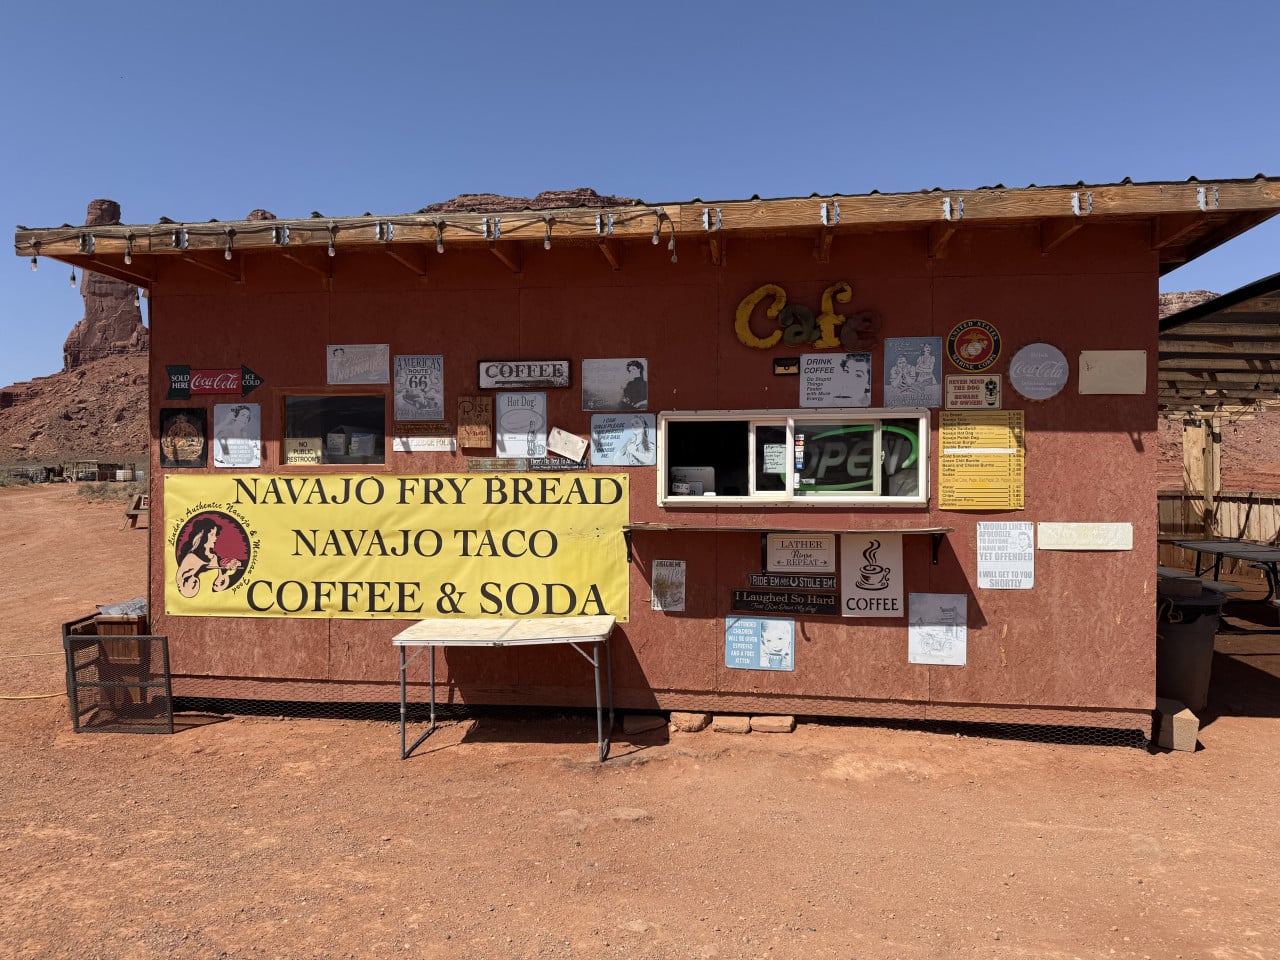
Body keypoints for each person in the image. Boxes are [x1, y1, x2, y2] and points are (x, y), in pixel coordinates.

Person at [175, 516, 241, 598]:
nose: (215, 538)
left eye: (215, 534)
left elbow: (219, 582)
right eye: (212, 534)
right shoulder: (191, 558)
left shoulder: (214, 557)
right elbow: (182, 583)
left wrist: (229, 570)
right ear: (203, 536)